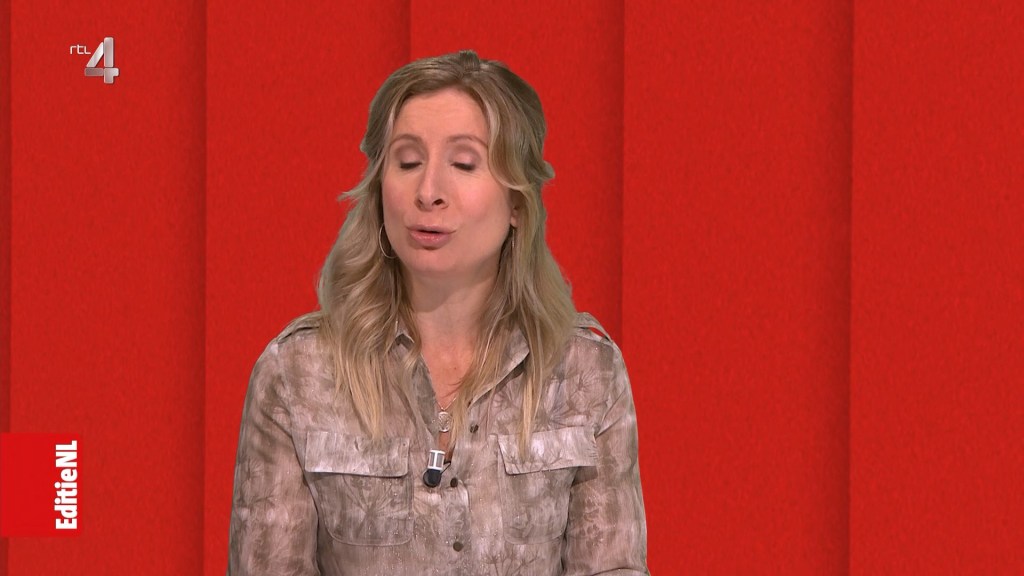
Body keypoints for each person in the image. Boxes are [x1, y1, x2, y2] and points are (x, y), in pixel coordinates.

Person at [228, 49, 648, 575]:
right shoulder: (296, 375)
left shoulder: (586, 371)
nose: (428, 192)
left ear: (518, 204)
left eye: (464, 164)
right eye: (407, 163)